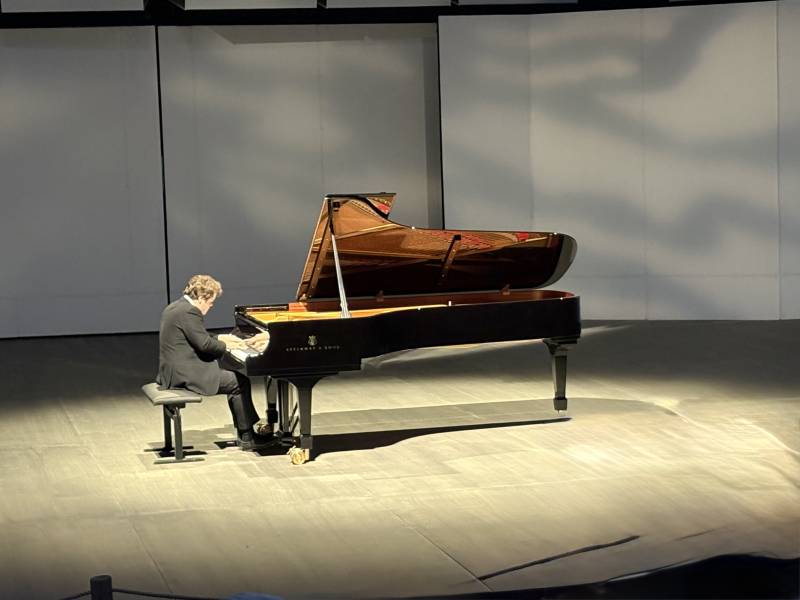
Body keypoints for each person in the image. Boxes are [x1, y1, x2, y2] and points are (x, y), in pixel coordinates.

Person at [156, 274, 273, 451]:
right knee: (238, 383)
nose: (210, 307)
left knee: (236, 380)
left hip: (171, 372)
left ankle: (246, 433)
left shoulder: (176, 306)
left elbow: (195, 337)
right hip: (186, 374)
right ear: (202, 298)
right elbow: (204, 345)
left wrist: (220, 338)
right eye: (211, 303)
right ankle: (247, 437)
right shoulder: (190, 311)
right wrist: (226, 346)